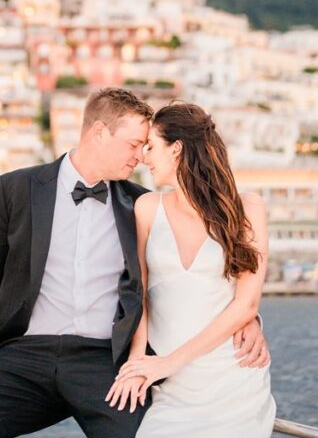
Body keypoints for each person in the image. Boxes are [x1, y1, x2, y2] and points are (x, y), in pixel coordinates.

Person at [0, 88, 269, 438]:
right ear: (99, 133)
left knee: (141, 433)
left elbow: (190, 277)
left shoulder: (143, 205)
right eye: (133, 144)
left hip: (104, 358)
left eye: (146, 146)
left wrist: (249, 319)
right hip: (25, 353)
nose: (140, 157)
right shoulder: (16, 188)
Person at [107, 102, 276, 437]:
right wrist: (139, 361)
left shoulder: (247, 209)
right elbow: (138, 293)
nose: (143, 157)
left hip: (233, 379)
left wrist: (168, 362)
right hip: (172, 388)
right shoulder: (146, 208)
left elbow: (246, 304)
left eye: (151, 147)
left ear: (177, 149)